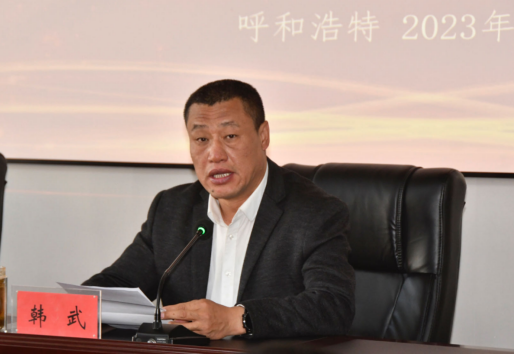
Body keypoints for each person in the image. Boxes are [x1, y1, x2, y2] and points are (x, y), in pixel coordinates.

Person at [83, 80, 355, 339]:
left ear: (263, 136)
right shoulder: (172, 209)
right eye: (201, 139)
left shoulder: (315, 213)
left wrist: (237, 319)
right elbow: (119, 283)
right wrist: (73, 303)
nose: (215, 155)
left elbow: (332, 305)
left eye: (230, 136)